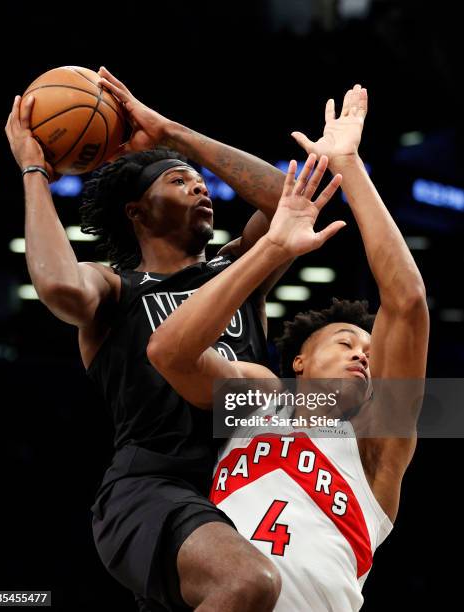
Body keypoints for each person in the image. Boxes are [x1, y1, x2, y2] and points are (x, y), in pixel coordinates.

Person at [3, 66, 309, 611]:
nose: (198, 186)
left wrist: (173, 134)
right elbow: (54, 283)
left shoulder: (237, 273)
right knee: (247, 583)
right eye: (177, 179)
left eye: (199, 181)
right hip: (153, 487)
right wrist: (33, 169)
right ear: (137, 212)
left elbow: (289, 202)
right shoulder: (115, 290)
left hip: (246, 483)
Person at [147, 85, 430, 611]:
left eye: (369, 347)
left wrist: (349, 167)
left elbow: (407, 300)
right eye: (346, 340)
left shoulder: (372, 443)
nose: (363, 353)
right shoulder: (250, 403)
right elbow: (171, 355)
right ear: (298, 362)